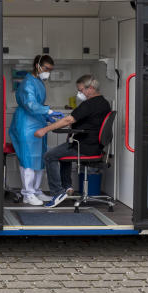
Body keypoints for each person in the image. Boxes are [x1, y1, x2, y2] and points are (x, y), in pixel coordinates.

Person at [34, 75, 111, 208]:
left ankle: (58, 192)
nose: (79, 93)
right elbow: (89, 122)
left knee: (49, 156)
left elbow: (69, 120)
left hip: (84, 147)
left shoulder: (89, 104)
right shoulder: (104, 102)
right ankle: (67, 187)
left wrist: (45, 130)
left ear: (91, 88)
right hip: (95, 147)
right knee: (63, 155)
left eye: (81, 90)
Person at [9, 54, 55, 206]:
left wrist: (46, 116)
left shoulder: (39, 82)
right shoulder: (28, 83)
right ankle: (28, 193)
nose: (48, 72)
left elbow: (37, 105)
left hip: (38, 122)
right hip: (26, 124)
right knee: (28, 158)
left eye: (50, 70)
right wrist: (48, 111)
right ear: (38, 65)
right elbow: (30, 104)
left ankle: (36, 191)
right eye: (46, 68)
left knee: (40, 158)